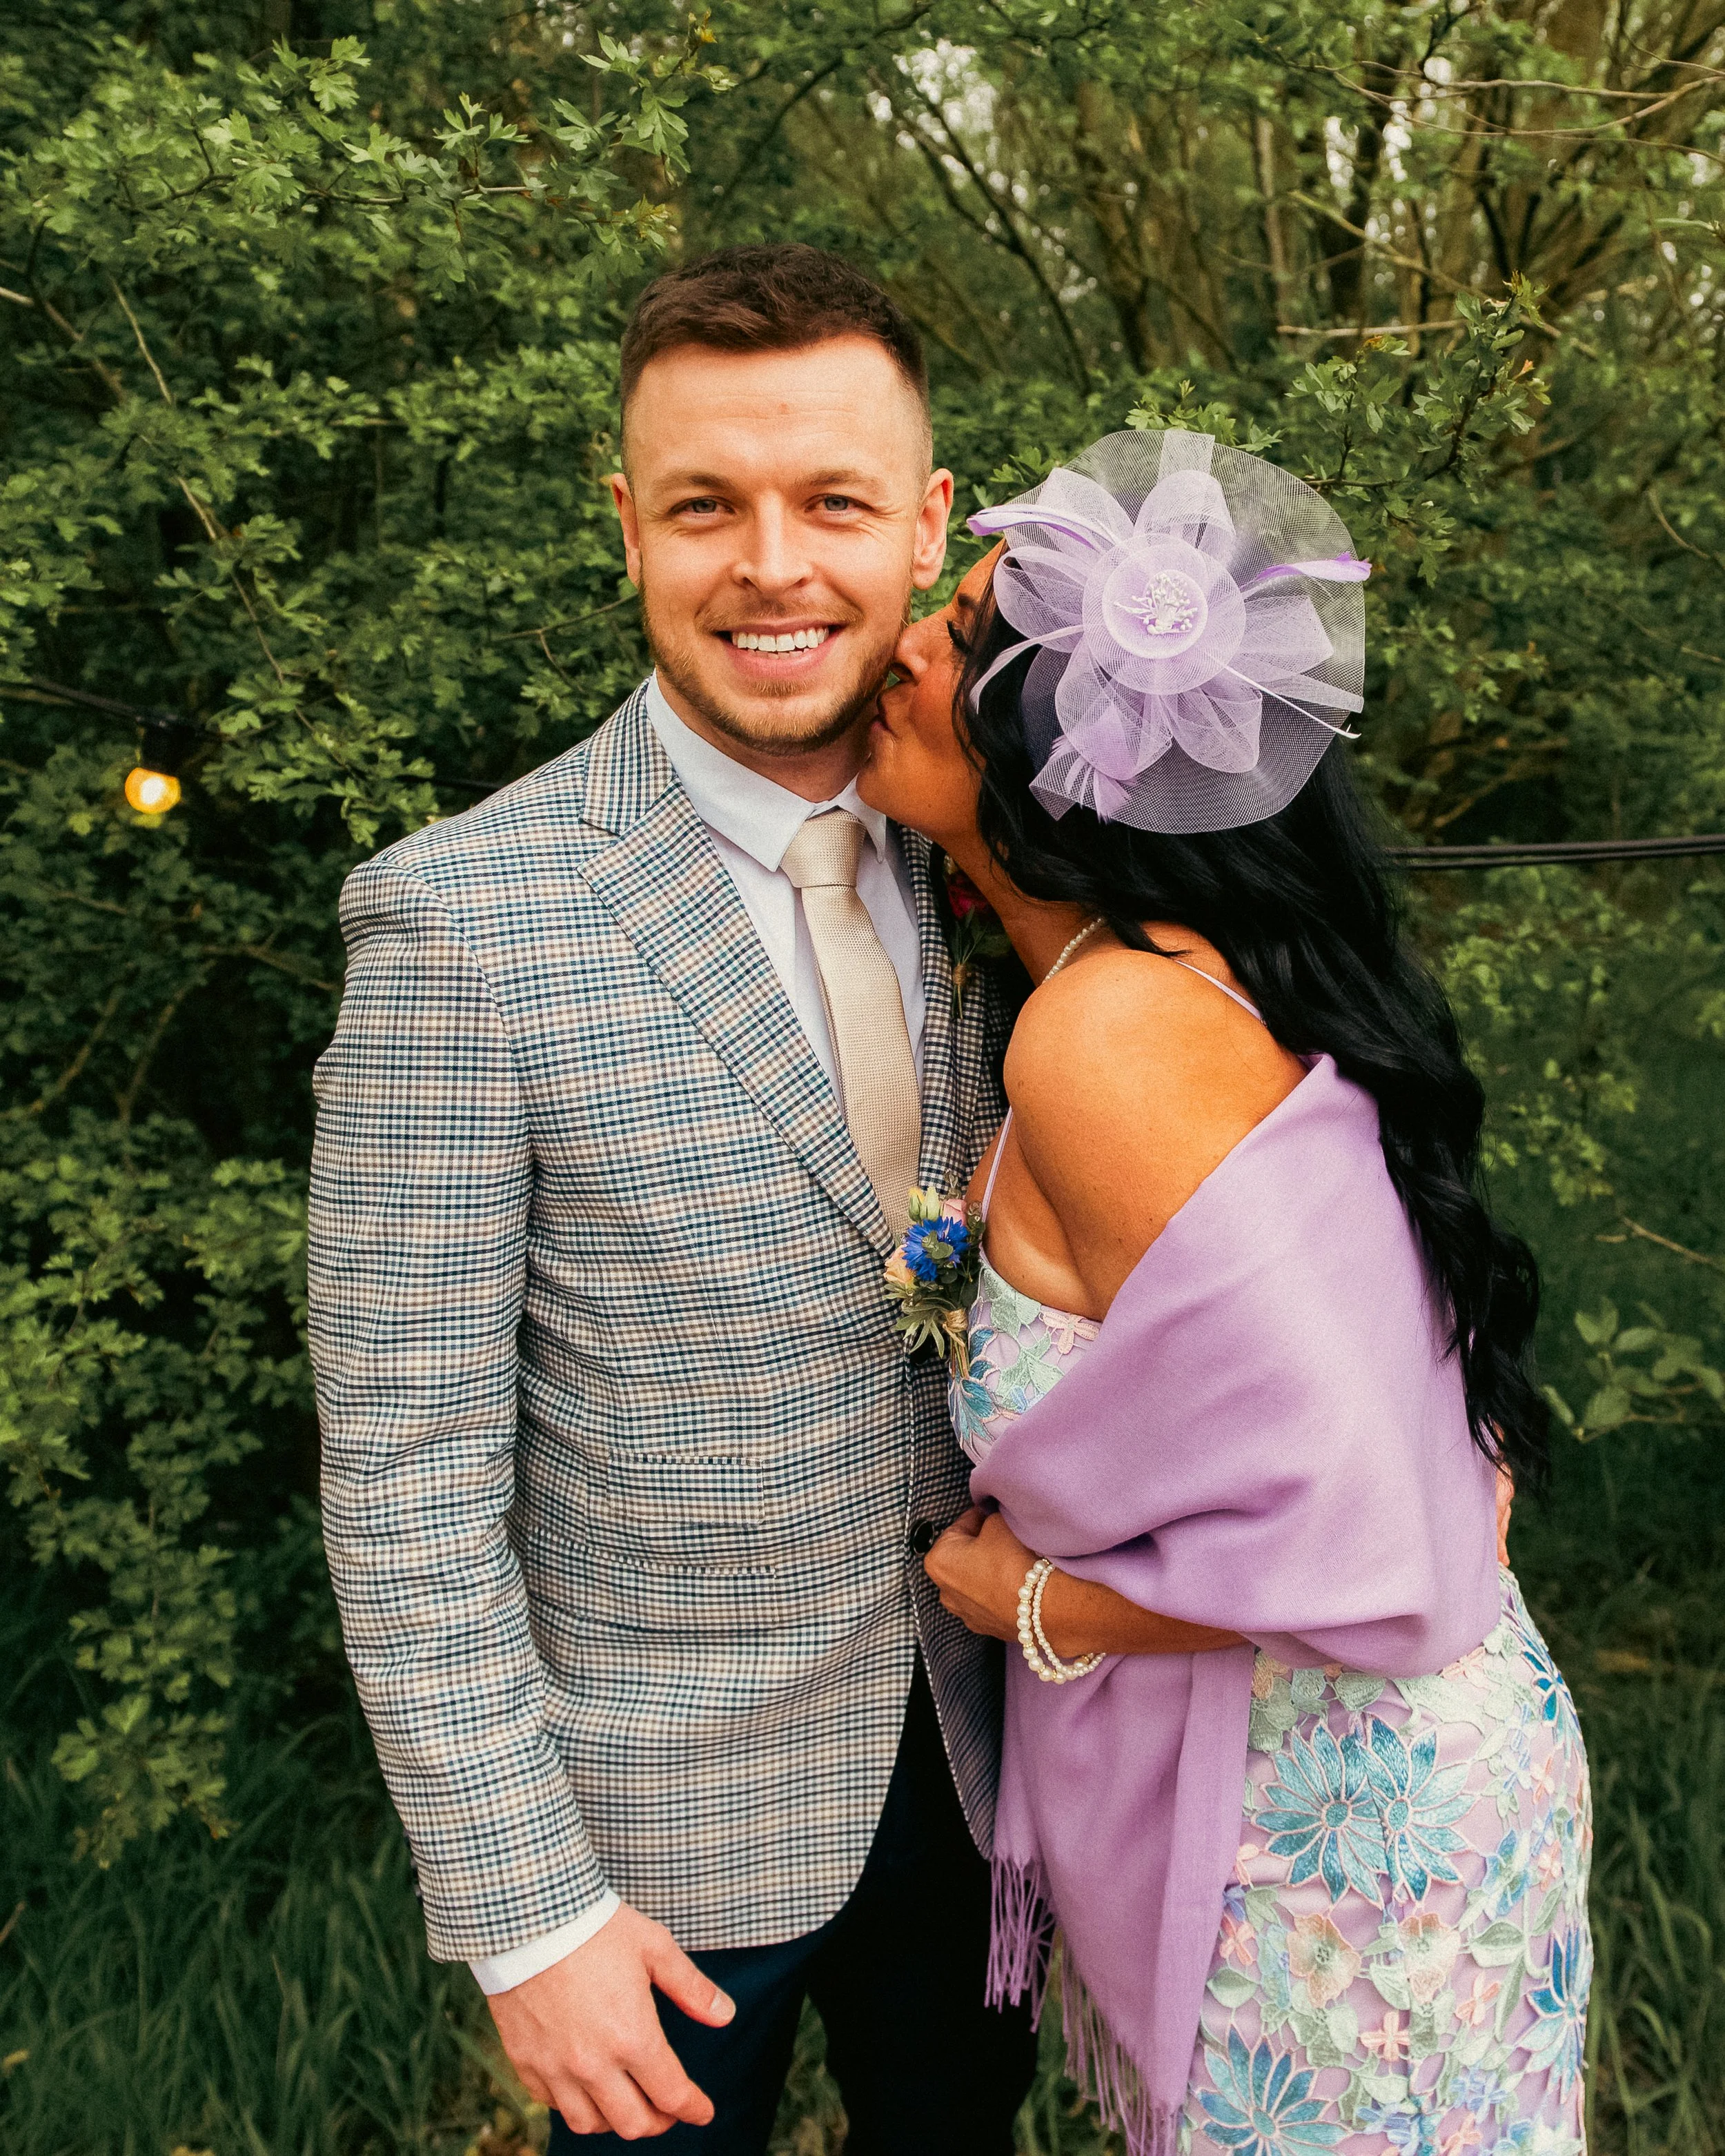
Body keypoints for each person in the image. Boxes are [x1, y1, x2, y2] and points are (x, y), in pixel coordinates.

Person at [306, 244, 1037, 2152]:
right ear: (627, 525)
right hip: (659, 1848)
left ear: (928, 527)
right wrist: (525, 1910)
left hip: (996, 1771)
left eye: (833, 503)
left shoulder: (1015, 859)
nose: (773, 566)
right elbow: (404, 1473)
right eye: (706, 505)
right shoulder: (459, 921)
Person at [859, 428, 1593, 2155]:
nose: (899, 634)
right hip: (1342, 1784)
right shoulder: (1156, 988)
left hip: (1348, 1832)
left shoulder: (1111, 1033)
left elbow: (1399, 1537)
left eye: (958, 636)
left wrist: (1040, 1604)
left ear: (1069, 751)